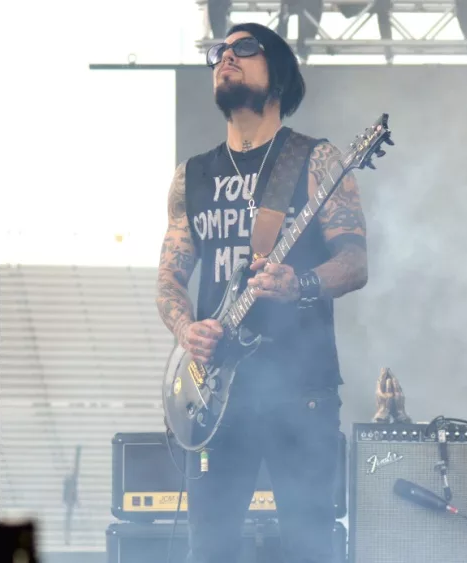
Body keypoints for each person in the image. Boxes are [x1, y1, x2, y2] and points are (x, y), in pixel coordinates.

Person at [155, 22, 368, 563]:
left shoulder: (316, 160)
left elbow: (355, 262)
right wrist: (187, 330)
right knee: (210, 548)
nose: (226, 57)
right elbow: (170, 278)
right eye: (219, 51)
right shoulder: (191, 176)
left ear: (278, 75)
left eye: (244, 48)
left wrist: (301, 283)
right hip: (215, 394)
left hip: (301, 389)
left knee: (309, 546)